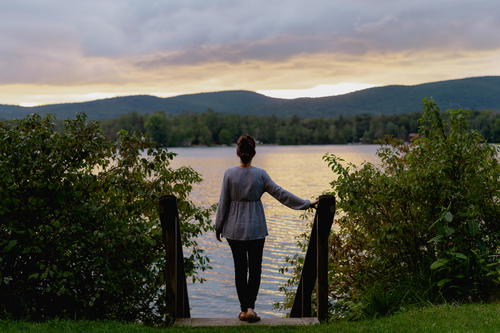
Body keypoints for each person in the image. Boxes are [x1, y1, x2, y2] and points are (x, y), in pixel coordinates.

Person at [214, 134, 317, 322]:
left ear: (238, 153)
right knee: (255, 270)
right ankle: (250, 308)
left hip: (234, 229)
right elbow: (281, 194)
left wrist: (218, 226)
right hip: (256, 228)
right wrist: (306, 203)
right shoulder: (260, 174)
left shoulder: (229, 174)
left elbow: (223, 203)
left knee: (239, 269)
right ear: (254, 153)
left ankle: (244, 310)